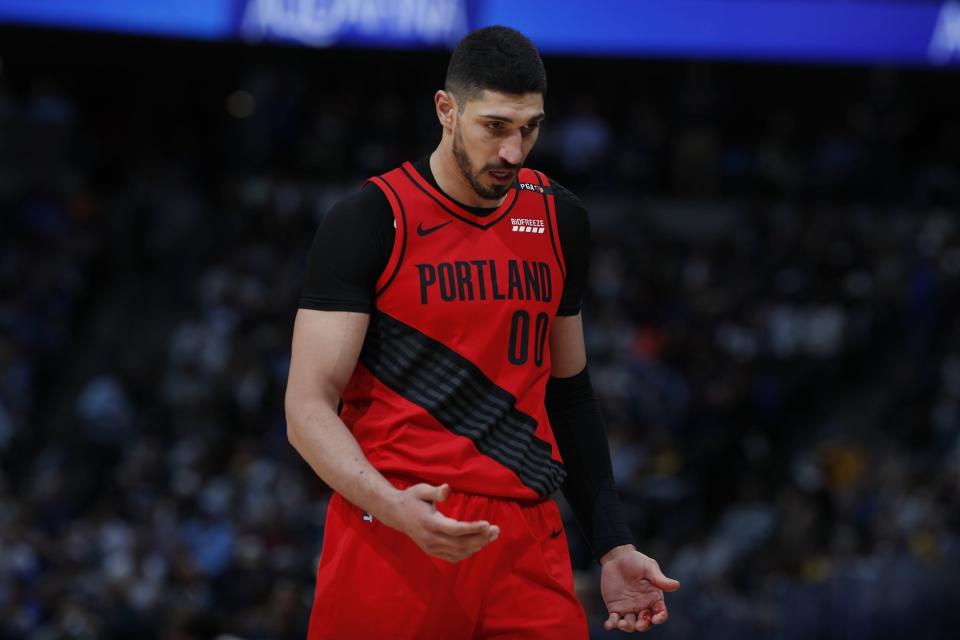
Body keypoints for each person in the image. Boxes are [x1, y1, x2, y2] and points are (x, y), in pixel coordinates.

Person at [285, 25, 679, 639]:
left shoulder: (559, 218)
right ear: (447, 109)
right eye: (495, 126)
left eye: (530, 127)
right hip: (397, 525)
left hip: (527, 538)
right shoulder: (370, 219)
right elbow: (308, 405)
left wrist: (612, 545)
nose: (515, 152)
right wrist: (389, 505)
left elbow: (568, 391)